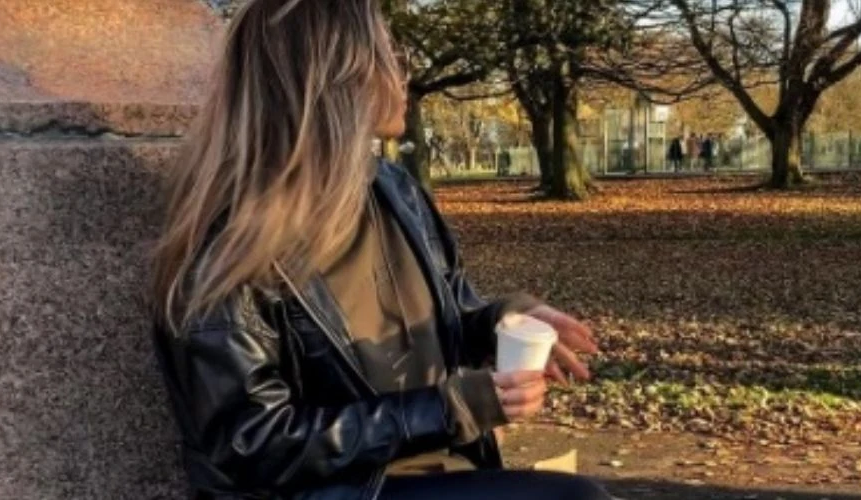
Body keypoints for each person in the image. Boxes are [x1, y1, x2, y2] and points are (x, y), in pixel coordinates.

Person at [148, 1, 608, 499]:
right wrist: (450, 409)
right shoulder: (232, 241)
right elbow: (253, 445)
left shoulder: (394, 190)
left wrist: (507, 320)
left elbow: (454, 310)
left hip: (444, 473)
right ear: (339, 77)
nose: (401, 74)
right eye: (391, 55)